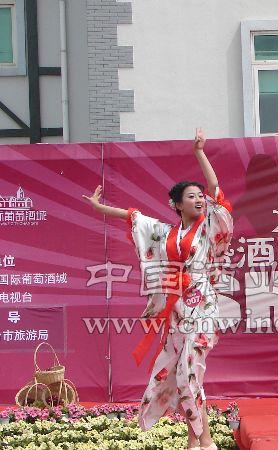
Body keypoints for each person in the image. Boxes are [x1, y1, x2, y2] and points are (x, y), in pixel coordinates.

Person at [82, 128, 234, 450]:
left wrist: (199, 152)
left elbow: (216, 190)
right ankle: (196, 442)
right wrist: (99, 209)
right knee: (180, 376)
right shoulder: (165, 233)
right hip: (177, 309)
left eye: (199, 196)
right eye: (191, 196)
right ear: (177, 204)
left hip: (202, 307)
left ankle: (205, 441)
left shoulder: (207, 228)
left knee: (189, 372)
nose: (199, 199)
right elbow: (134, 217)